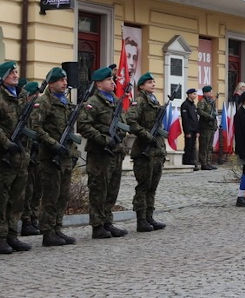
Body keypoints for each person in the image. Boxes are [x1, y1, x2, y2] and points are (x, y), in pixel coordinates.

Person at [0, 62, 33, 255]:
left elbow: (31, 121)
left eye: (17, 72)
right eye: (12, 72)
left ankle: (12, 234)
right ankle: (0, 238)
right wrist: (5, 142)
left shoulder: (22, 96)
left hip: (20, 156)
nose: (16, 75)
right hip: (2, 157)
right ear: (3, 76)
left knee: (17, 199)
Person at [78, 66, 128, 239]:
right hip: (100, 154)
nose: (113, 82)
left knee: (112, 189)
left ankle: (107, 221)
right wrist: (104, 138)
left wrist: (120, 135)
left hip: (115, 152)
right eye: (109, 80)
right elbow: (83, 126)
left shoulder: (114, 100)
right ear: (99, 84)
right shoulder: (93, 102)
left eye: (112, 80)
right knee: (99, 189)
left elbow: (123, 122)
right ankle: (97, 226)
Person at [31, 66, 79, 246]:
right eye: (60, 80)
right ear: (51, 84)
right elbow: (36, 127)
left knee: (62, 195)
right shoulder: (44, 101)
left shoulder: (65, 102)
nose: (65, 83)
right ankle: (47, 232)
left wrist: (72, 152)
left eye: (65, 80)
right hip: (50, 157)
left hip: (65, 155)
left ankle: (57, 228)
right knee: (51, 196)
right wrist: (53, 144)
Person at [127, 72, 168, 232]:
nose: (153, 84)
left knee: (153, 186)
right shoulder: (139, 100)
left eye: (154, 81)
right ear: (142, 85)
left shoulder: (153, 100)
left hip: (156, 150)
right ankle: (141, 220)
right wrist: (145, 134)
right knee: (143, 186)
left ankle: (150, 216)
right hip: (144, 151)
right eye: (149, 82)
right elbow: (131, 121)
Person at [196, 86, 218, 170]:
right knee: (204, 146)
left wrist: (215, 124)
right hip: (205, 127)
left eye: (211, 92)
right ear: (205, 93)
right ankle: (203, 163)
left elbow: (214, 115)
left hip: (211, 126)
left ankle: (208, 162)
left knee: (209, 146)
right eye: (209, 92)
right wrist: (209, 116)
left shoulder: (212, 102)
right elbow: (200, 111)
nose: (211, 94)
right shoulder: (202, 101)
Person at [180, 88, 199, 168]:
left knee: (193, 147)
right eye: (194, 94)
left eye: (195, 94)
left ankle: (192, 162)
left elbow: (196, 119)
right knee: (188, 146)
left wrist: (198, 130)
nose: (195, 95)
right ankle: (187, 162)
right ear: (189, 94)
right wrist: (187, 131)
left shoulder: (193, 105)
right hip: (189, 130)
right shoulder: (185, 105)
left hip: (194, 129)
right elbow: (185, 120)